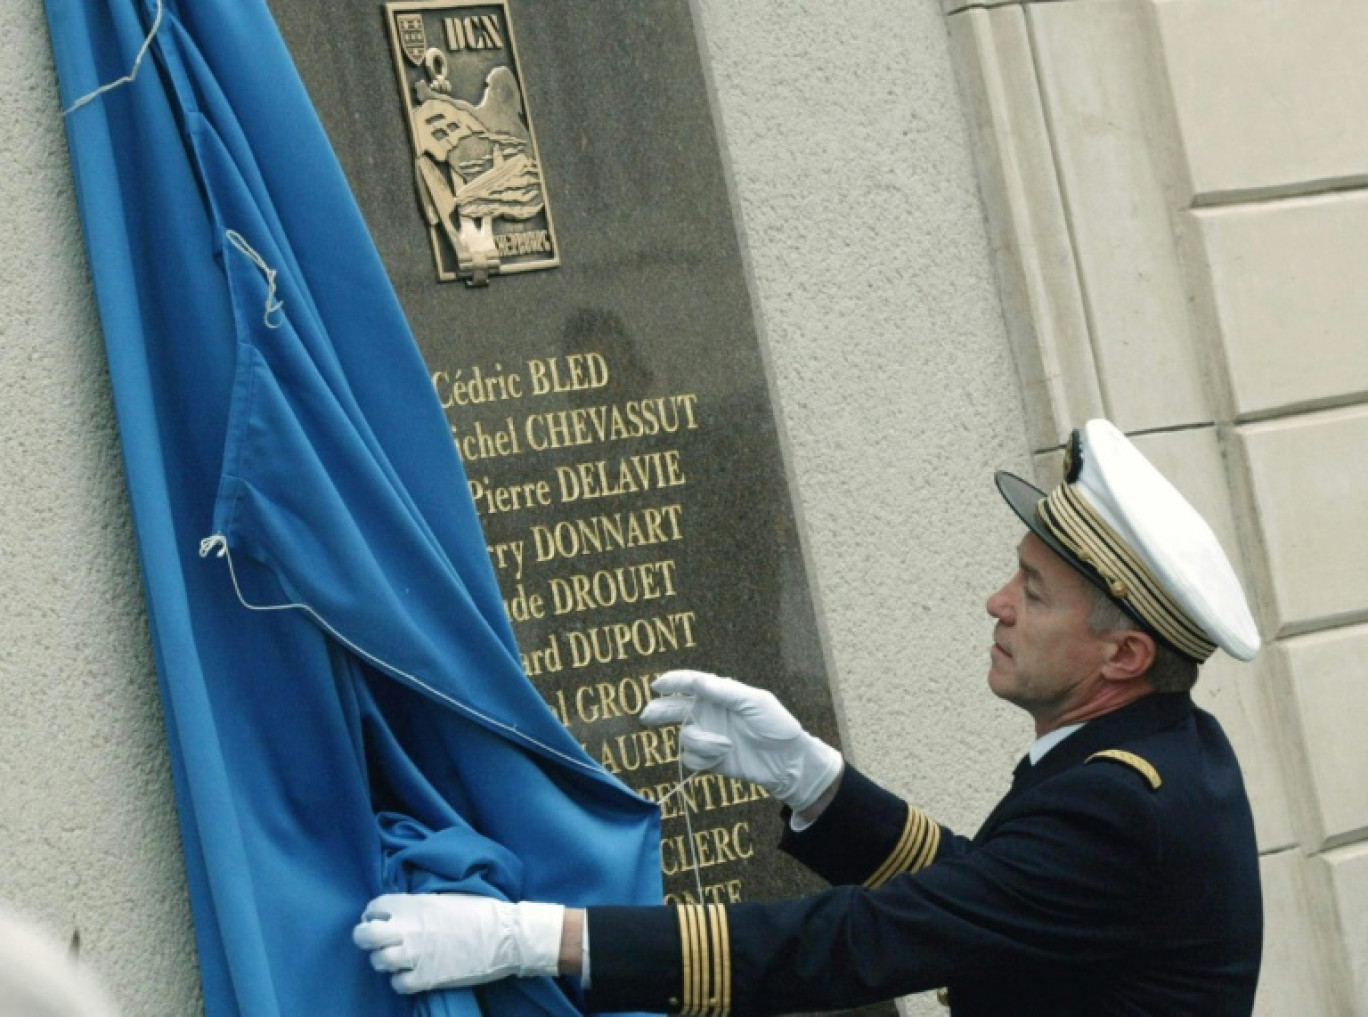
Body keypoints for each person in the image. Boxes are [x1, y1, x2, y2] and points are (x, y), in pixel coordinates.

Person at [352, 419, 1264, 1015]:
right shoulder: (1157, 754)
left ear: (1125, 655)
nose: (996, 602)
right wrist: (819, 785)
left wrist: (538, 937)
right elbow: (990, 895)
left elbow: (867, 942)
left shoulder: (1118, 804)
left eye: (1032, 591)